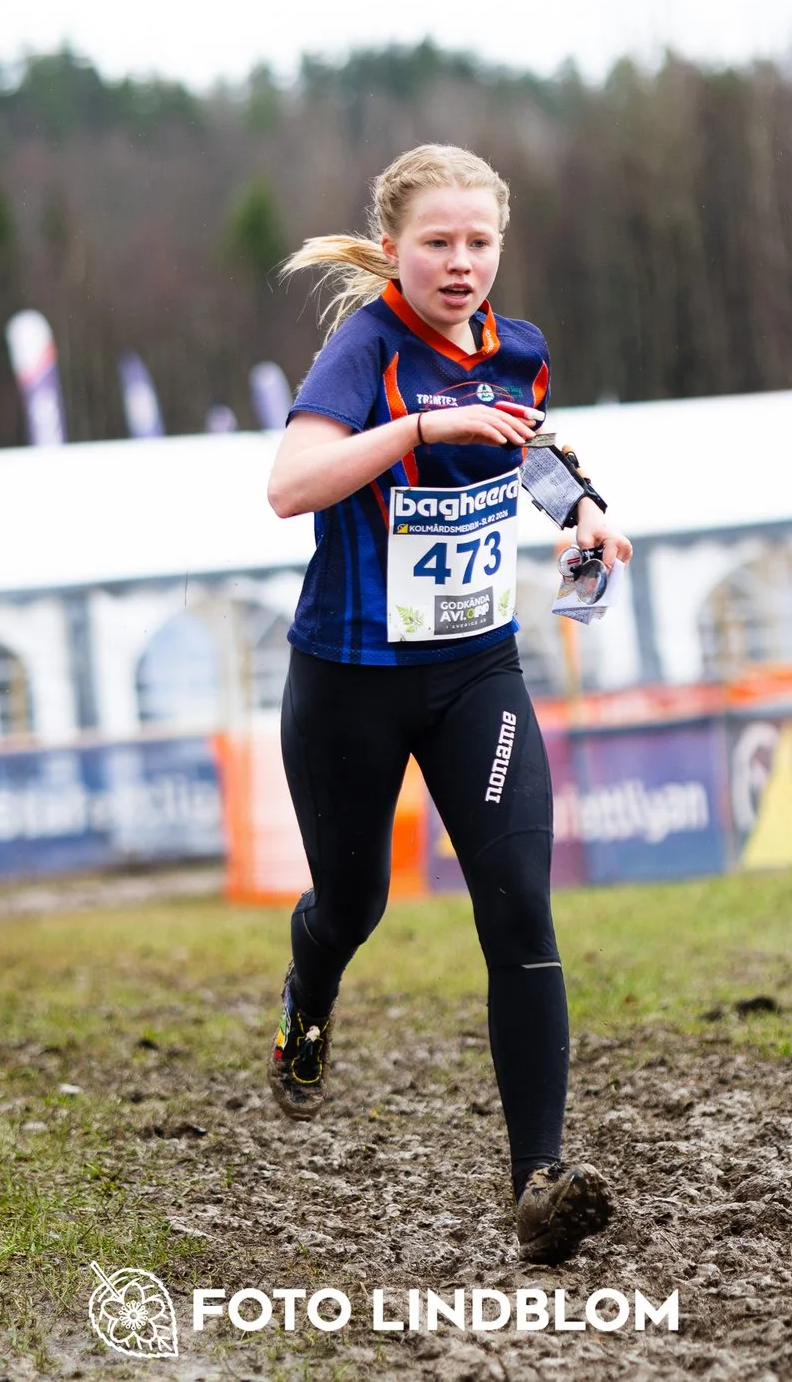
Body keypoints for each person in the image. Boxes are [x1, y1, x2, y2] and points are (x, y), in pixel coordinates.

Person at [261, 144, 633, 1265]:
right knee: (353, 903)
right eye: (437, 243)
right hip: (348, 683)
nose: (460, 263)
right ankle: (307, 995)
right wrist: (424, 430)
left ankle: (539, 1180)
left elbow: (530, 454)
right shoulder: (363, 348)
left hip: (477, 671)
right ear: (393, 250)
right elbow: (288, 485)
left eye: (479, 243)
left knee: (519, 903)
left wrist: (584, 513)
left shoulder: (518, 351)